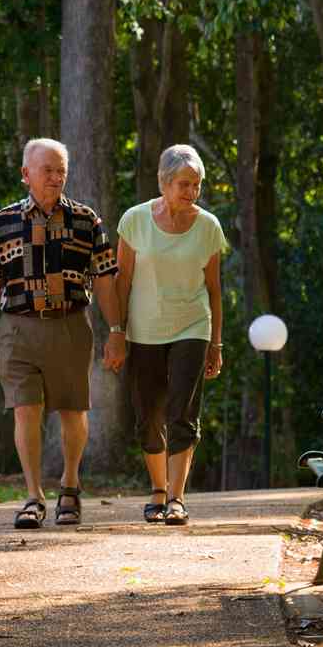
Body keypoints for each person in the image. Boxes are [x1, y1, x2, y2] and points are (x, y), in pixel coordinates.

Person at [0, 138, 125, 529]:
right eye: (48, 170)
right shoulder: (2, 223)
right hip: (18, 328)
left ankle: (70, 485)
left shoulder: (86, 220)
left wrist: (117, 330)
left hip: (71, 325)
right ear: (26, 175)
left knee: (73, 410)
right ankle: (33, 496)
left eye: (61, 171)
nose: (56, 178)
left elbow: (106, 278)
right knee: (25, 408)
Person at [115, 144, 227, 526]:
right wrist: (116, 330)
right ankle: (158, 490)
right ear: (163, 182)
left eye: (196, 185)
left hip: (192, 326)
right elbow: (122, 279)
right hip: (143, 329)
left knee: (182, 411)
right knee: (148, 416)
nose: (191, 192)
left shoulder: (209, 226)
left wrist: (216, 343)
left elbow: (213, 288)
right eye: (183, 184)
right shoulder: (134, 221)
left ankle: (177, 498)